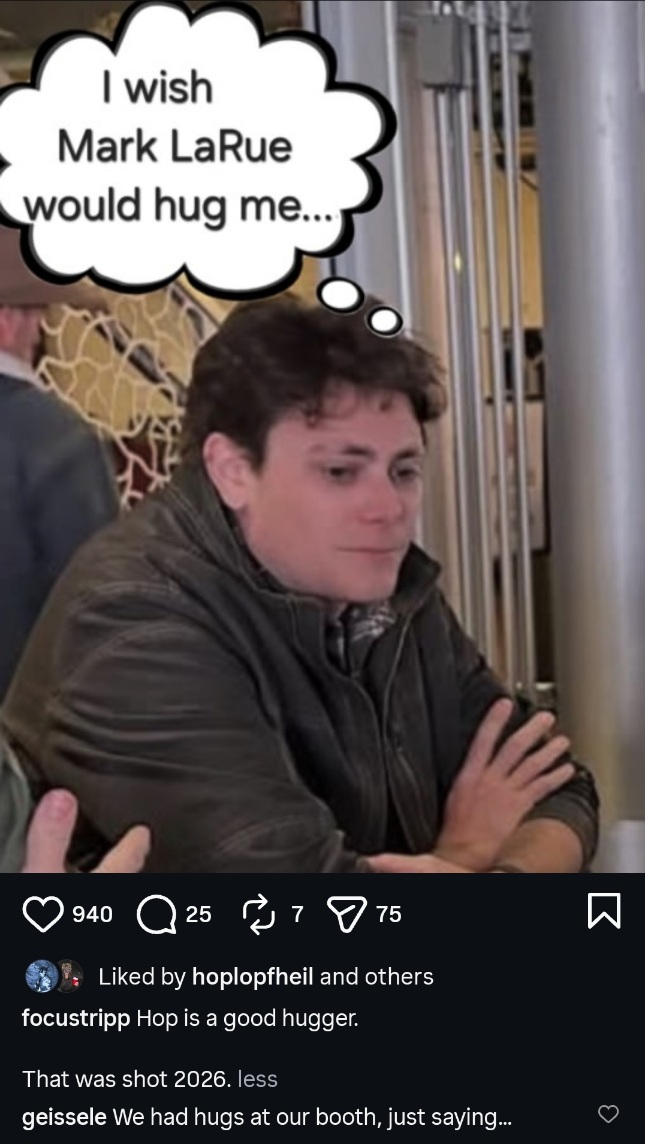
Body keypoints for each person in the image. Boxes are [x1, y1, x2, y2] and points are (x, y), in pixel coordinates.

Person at [1, 298, 599, 873]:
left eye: (404, 470)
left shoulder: (384, 585)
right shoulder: (132, 622)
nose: (389, 507)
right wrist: (465, 853)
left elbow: (558, 785)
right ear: (232, 471)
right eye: (340, 471)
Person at [0, 225, 120, 700]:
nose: (40, 330)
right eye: (38, 314)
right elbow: (96, 614)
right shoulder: (58, 439)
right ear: (8, 320)